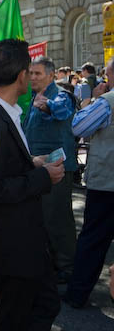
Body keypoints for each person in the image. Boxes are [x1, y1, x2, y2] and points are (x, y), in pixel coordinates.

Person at [0, 39, 62, 331]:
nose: (32, 79)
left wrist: (32, 164)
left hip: (24, 236)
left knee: (41, 304)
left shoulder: (4, 112)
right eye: (30, 73)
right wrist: (42, 177)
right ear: (21, 76)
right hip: (13, 239)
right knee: (17, 315)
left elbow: (4, 170)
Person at [22, 56, 78, 284]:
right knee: (41, 218)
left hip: (59, 168)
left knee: (58, 219)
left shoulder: (61, 96)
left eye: (37, 74)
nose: (32, 77)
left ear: (51, 75)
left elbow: (63, 111)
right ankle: (51, 265)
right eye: (31, 73)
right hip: (39, 167)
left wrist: (47, 106)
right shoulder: (33, 98)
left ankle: (67, 267)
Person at [65, 59, 114, 308]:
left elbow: (78, 126)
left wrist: (91, 100)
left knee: (93, 239)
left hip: (107, 183)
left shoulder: (107, 102)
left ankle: (77, 293)